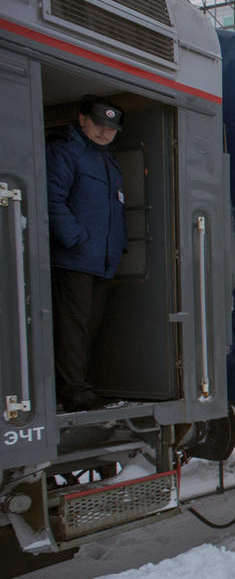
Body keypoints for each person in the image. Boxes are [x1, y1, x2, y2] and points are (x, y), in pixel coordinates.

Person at [46, 95, 127, 412]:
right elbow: (52, 200)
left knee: (89, 327)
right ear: (82, 119)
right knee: (72, 327)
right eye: (98, 124)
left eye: (111, 127)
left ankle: (79, 387)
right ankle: (73, 392)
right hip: (74, 258)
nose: (105, 132)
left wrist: (117, 247)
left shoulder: (107, 160)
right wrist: (74, 239)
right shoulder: (66, 152)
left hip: (100, 260)